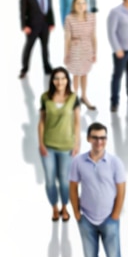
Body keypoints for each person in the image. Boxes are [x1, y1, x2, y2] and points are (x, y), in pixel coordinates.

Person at [69, 122, 126, 257]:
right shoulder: (78, 161)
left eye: (102, 138)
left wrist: (116, 214)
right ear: (88, 139)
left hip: (109, 218)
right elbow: (72, 186)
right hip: (86, 218)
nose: (99, 141)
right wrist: (77, 213)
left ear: (106, 140)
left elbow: (121, 189)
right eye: (95, 137)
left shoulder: (115, 162)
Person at [39, 67, 81, 222]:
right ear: (52, 81)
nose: (60, 81)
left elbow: (77, 122)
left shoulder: (73, 97)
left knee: (64, 180)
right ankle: (54, 208)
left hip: (67, 146)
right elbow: (42, 121)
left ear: (67, 80)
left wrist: (77, 143)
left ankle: (65, 207)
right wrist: (41, 143)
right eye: (56, 78)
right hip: (48, 145)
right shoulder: (45, 97)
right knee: (50, 179)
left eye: (63, 78)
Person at [19, 0, 54, 78]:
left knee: (45, 47)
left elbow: (50, 7)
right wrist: (24, 26)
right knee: (29, 47)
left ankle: (47, 68)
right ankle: (24, 69)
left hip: (45, 25)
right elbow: (22, 11)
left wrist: (52, 22)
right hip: (32, 26)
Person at [64, 0, 97, 110]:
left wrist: (94, 52)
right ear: (74, 5)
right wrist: (66, 53)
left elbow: (93, 36)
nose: (81, 6)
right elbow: (67, 37)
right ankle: (74, 97)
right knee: (76, 73)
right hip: (75, 48)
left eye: (83, 3)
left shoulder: (91, 17)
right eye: (78, 3)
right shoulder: (69, 18)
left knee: (85, 73)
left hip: (87, 48)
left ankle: (84, 96)